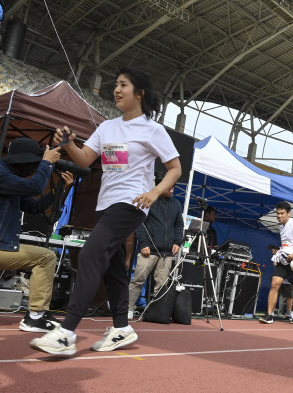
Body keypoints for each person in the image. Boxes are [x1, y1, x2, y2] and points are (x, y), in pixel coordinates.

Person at [31, 67, 182, 356]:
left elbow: (175, 168)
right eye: (115, 84)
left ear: (139, 93)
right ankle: (122, 328)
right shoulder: (107, 127)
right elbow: (86, 159)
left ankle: (66, 333)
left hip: (131, 204)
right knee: (115, 271)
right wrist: (69, 144)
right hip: (105, 205)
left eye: (123, 85)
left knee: (90, 254)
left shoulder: (152, 130)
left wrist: (153, 192)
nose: (116, 89)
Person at [0, 138, 72, 332]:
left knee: (45, 257)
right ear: (22, 161)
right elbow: (33, 187)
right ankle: (35, 316)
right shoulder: (2, 174)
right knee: (46, 258)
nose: (34, 168)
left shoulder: (11, 181)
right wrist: (46, 163)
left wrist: (60, 189)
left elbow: (35, 206)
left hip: (3, 246)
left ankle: (37, 314)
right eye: (33, 163)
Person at [128, 180, 183, 319]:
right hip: (149, 249)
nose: (171, 191)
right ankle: (128, 309)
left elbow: (179, 225)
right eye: (169, 188)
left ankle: (158, 312)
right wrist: (144, 243)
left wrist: (177, 242)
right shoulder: (149, 199)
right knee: (138, 280)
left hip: (167, 252)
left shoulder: (176, 204)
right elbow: (139, 223)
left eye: (173, 188)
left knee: (162, 285)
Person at [260, 202, 293, 324]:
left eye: (282, 213)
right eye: (278, 213)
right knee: (275, 283)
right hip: (284, 260)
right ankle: (269, 315)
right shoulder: (281, 227)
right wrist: (278, 256)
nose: (279, 216)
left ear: (288, 213)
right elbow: (286, 245)